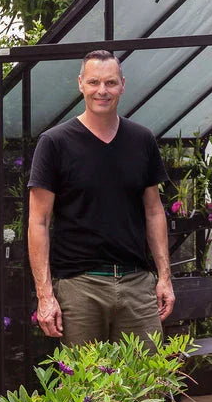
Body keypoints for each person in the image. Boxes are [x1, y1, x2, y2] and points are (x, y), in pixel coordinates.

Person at [27, 50, 174, 347]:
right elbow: (38, 222)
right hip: (80, 287)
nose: (102, 91)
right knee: (84, 389)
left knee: (146, 384)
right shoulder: (54, 143)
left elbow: (154, 212)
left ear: (123, 84)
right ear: (81, 84)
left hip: (136, 284)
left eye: (110, 83)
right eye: (94, 82)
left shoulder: (141, 140)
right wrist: (45, 295)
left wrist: (164, 277)